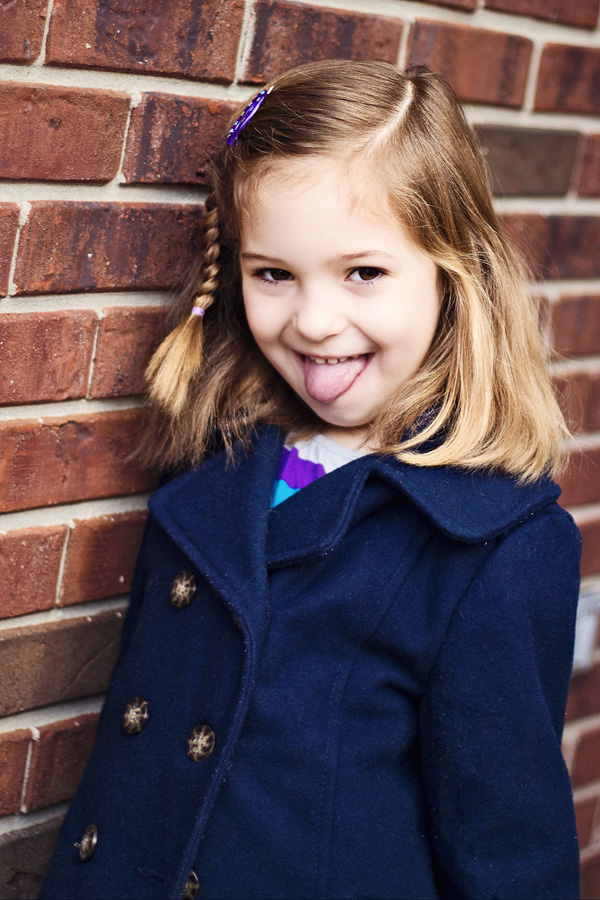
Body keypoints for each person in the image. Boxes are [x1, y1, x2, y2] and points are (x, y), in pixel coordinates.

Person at [39, 60, 582, 900]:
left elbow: (509, 853)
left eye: (363, 272)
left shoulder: (496, 544)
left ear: (453, 273)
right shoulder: (219, 458)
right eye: (274, 274)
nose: (314, 321)